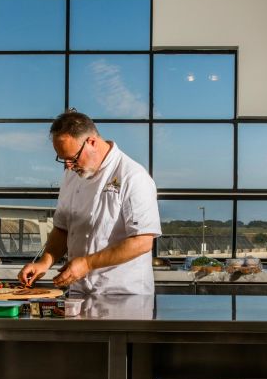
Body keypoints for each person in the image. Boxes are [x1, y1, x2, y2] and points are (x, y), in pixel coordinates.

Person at [18, 111, 161, 294]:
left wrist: (87, 263)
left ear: (91, 142)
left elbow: (142, 242)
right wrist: (44, 262)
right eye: (63, 160)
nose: (68, 166)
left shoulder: (133, 176)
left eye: (72, 158)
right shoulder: (71, 175)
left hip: (123, 294)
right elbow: (62, 228)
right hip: (79, 291)